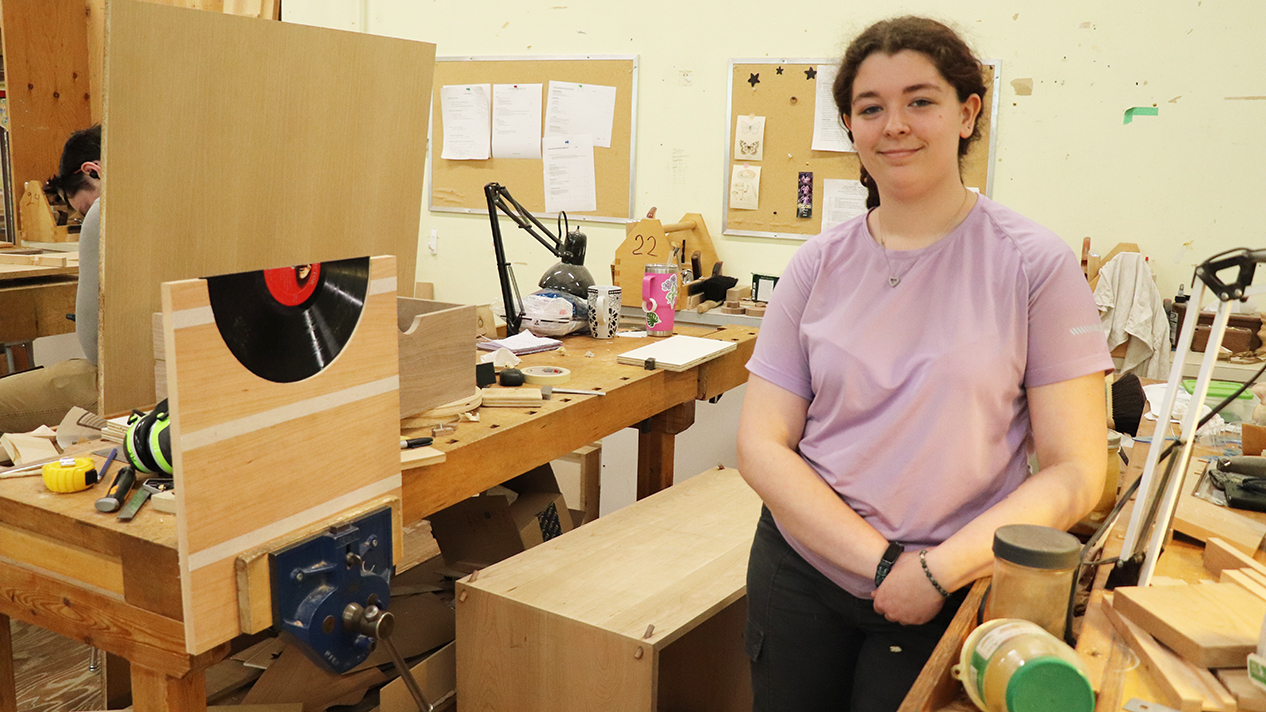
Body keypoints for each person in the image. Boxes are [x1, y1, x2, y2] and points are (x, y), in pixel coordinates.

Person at [737, 17, 1112, 712]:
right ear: (851, 126)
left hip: (949, 578)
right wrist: (880, 564)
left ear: (967, 112)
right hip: (803, 573)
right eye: (871, 108)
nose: (895, 125)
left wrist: (934, 573)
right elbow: (762, 442)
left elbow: (1078, 469)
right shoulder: (816, 265)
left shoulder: (1033, 264)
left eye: (920, 100)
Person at [0, 125, 102, 434]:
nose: (86, 218)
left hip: (125, 382)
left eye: (83, 209)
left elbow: (94, 346)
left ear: (92, 171)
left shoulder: (105, 211)